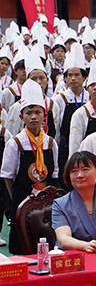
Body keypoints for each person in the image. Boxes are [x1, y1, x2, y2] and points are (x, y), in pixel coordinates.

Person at [1, 80, 59, 254]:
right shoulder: (15, 143)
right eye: (29, 113)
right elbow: (7, 176)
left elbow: (54, 174)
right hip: (22, 201)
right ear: (22, 117)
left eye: (37, 112)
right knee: (22, 247)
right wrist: (17, 201)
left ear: (44, 116)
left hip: (46, 203)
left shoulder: (50, 143)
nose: (33, 117)